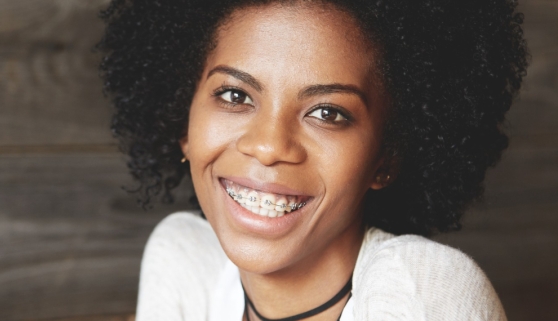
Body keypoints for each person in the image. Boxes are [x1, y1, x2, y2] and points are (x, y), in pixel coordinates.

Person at [99, 0, 528, 320]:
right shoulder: (188, 262)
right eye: (235, 95)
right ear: (182, 120)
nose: (269, 146)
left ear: (386, 156)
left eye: (328, 113)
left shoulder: (421, 289)